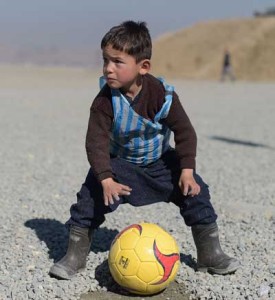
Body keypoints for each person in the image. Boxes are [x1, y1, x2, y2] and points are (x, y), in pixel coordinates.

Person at [49, 21, 240, 280]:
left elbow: (185, 133)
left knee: (197, 192)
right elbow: (95, 142)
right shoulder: (105, 101)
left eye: (117, 62)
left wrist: (186, 170)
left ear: (143, 66)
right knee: (90, 196)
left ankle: (210, 253)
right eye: (105, 60)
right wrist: (105, 179)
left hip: (160, 162)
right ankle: (75, 256)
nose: (108, 68)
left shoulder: (162, 96)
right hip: (121, 165)